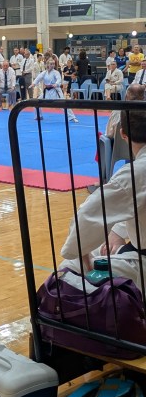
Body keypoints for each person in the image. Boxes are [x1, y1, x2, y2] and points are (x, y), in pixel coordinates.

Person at [62, 105, 146, 285]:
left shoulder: (133, 174)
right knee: (110, 247)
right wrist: (117, 231)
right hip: (137, 248)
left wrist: (83, 257)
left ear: (122, 134)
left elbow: (86, 216)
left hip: (144, 264)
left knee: (70, 266)